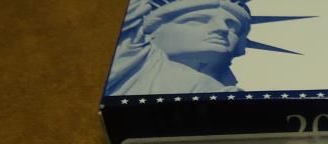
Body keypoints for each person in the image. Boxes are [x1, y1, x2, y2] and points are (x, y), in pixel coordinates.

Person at [106, 0, 251, 95]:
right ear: (155, 31)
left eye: (233, 28)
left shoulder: (226, 95)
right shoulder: (132, 58)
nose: (222, 29)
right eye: (198, 20)